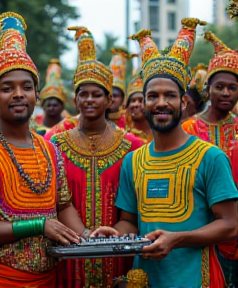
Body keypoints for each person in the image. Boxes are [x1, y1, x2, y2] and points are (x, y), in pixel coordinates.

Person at [91, 19, 238, 288]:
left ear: (183, 102)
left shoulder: (210, 157)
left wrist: (178, 238)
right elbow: (130, 223)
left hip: (198, 280)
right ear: (143, 102)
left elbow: (230, 224)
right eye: (153, 96)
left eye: (169, 95)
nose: (161, 103)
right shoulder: (133, 161)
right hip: (146, 280)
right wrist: (114, 234)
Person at [0, 12, 85, 288]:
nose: (18, 94)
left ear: (36, 94)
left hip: (47, 279)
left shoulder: (49, 149)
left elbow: (63, 206)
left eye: (26, 87)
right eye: (7, 88)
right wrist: (38, 225)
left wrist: (88, 236)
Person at [51, 26, 143, 288]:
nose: (90, 99)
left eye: (97, 94)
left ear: (109, 101)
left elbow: (137, 212)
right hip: (67, 258)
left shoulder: (132, 147)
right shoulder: (54, 144)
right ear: (75, 99)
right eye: (84, 93)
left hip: (120, 256)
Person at [182, 32, 238, 287]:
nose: (226, 92)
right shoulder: (188, 130)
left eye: (233, 87)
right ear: (208, 89)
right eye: (219, 87)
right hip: (199, 231)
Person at [124, 60, 152, 143]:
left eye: (140, 100)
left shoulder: (160, 136)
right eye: (132, 101)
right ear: (127, 108)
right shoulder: (123, 139)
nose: (136, 104)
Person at [39, 59, 66, 130]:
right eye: (48, 105)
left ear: (62, 106)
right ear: (42, 106)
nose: (51, 108)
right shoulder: (34, 125)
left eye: (55, 105)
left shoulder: (69, 125)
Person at [108, 47, 130, 129]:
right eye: (109, 95)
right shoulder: (96, 119)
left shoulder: (129, 120)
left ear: (122, 99)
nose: (112, 99)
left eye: (115, 95)